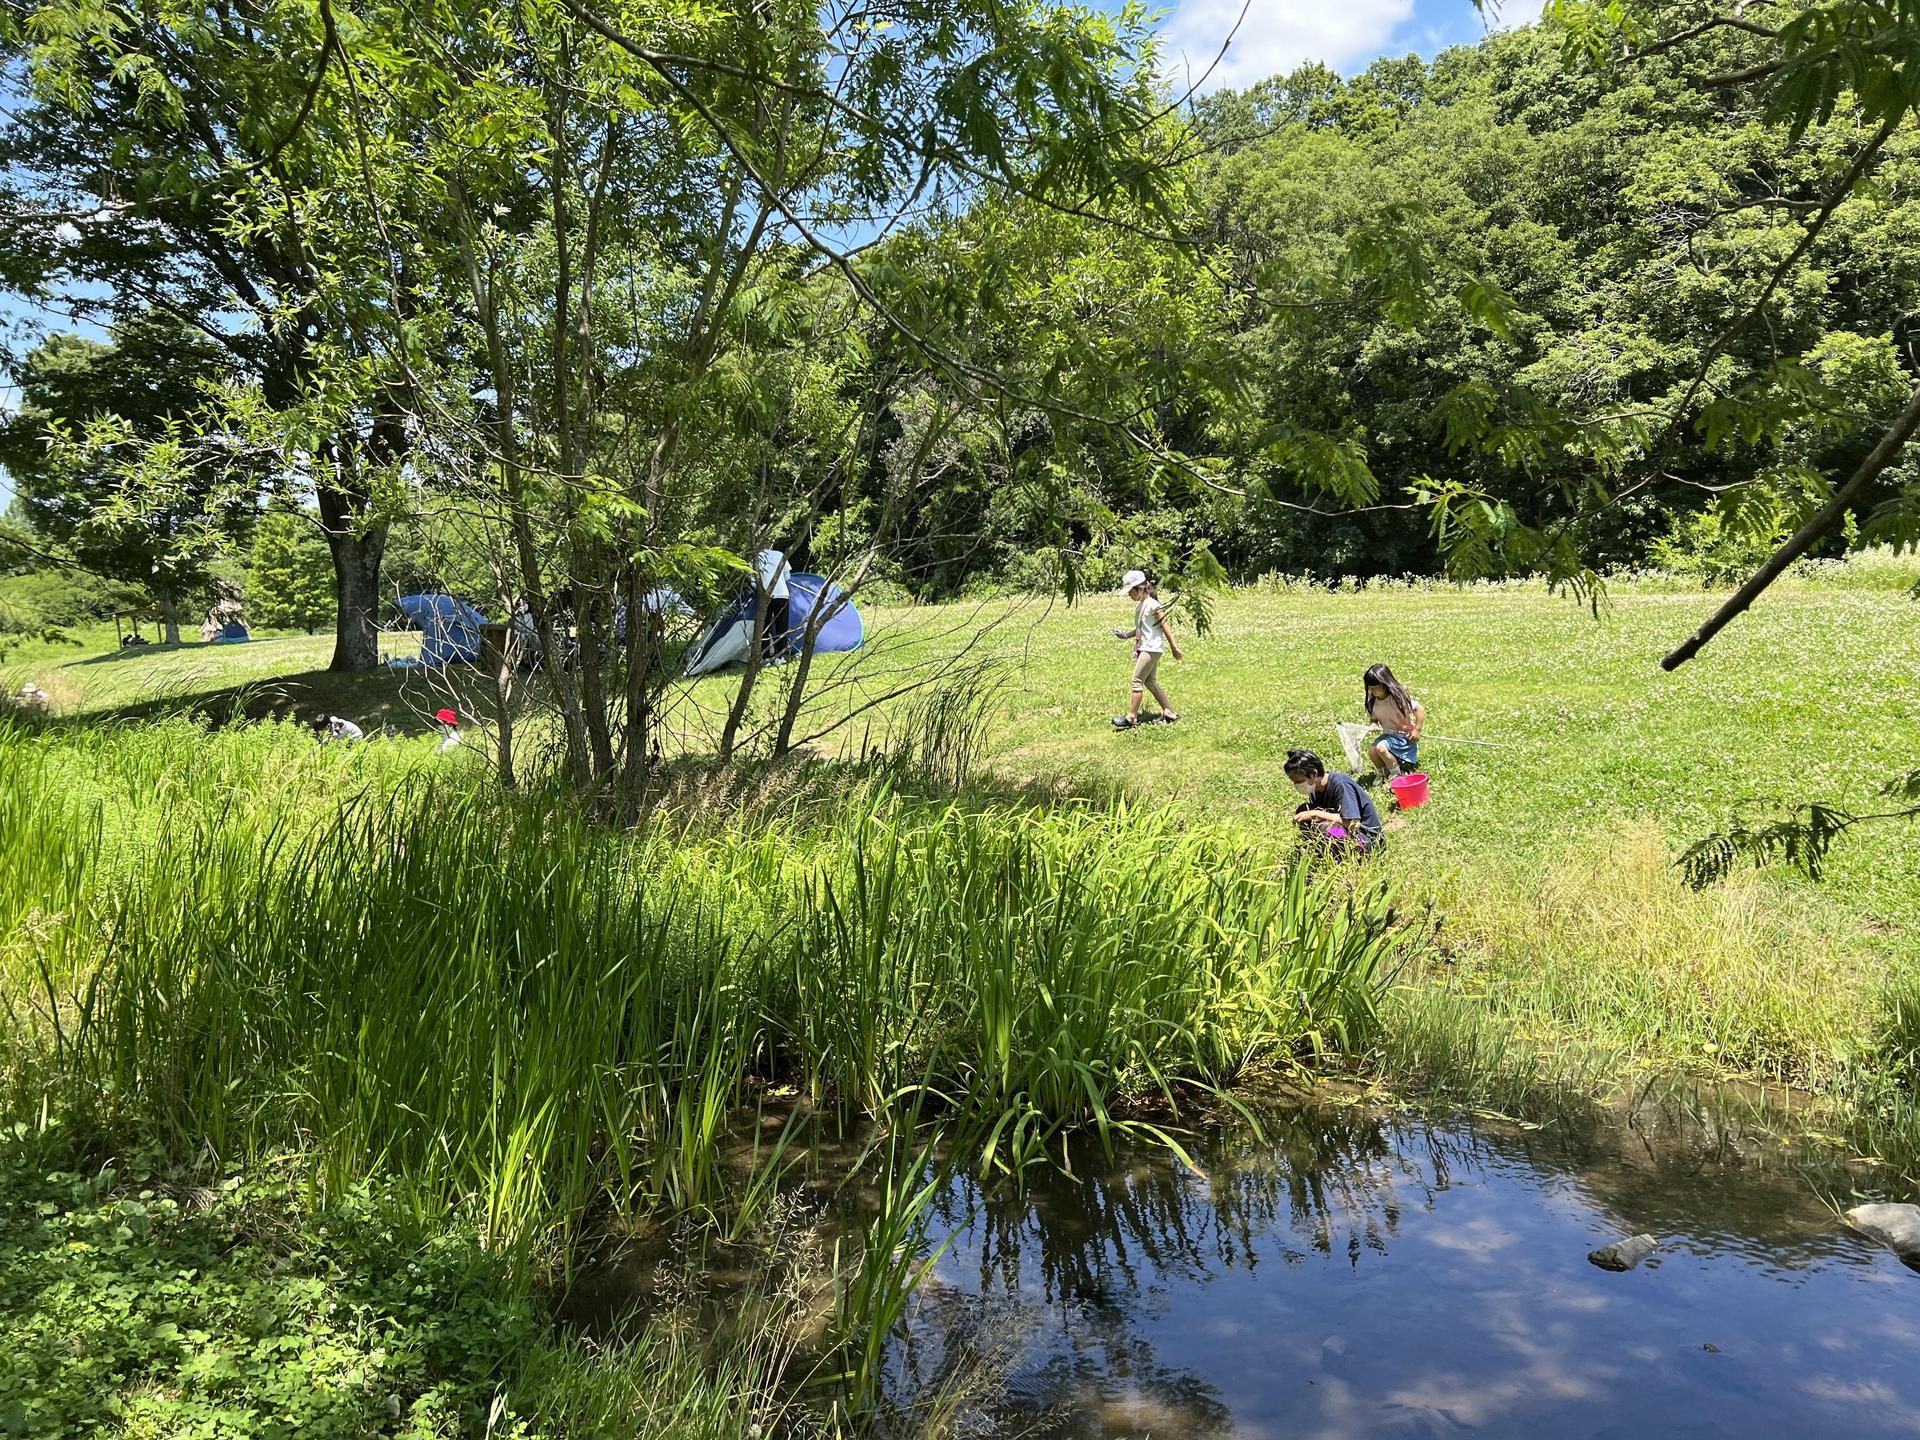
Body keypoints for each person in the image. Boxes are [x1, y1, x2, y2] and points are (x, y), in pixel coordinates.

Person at [1111, 569, 1182, 729]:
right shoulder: (1141, 605)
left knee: (1137, 681)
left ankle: (1131, 717)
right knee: (1150, 681)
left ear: (1140, 588)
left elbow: (1165, 625)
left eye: (1130, 592)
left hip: (1151, 648)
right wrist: (1125, 635)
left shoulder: (1153, 605)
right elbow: (1141, 628)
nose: (1129, 596)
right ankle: (1169, 712)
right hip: (1147, 647)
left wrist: (1174, 646)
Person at [1287, 747, 1382, 856]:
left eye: (1299, 781)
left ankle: (1340, 858)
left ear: (1313, 774)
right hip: (1344, 833)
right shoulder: (1315, 789)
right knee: (1303, 811)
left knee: (1324, 827)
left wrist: (1314, 813)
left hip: (1366, 839)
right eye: (1294, 782)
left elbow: (1351, 822)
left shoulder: (1341, 784)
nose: (1297, 785)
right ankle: (1318, 851)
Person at [1361, 663, 1424, 778]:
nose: (1372, 691)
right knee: (1372, 751)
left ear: (1385, 684)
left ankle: (1396, 774)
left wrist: (1417, 730)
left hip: (1403, 737)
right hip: (1388, 736)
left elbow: (1419, 709)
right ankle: (1382, 772)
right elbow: (1373, 719)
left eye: (1376, 688)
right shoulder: (1373, 703)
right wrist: (1374, 724)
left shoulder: (1397, 698)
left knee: (1381, 748)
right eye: (1370, 688)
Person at [753, 548, 791, 663]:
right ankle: (779, 656)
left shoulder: (756, 557)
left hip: (766, 596)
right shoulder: (780, 554)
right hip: (782, 594)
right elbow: (787, 576)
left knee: (764, 627)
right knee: (782, 626)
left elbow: (753, 580)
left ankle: (764, 657)